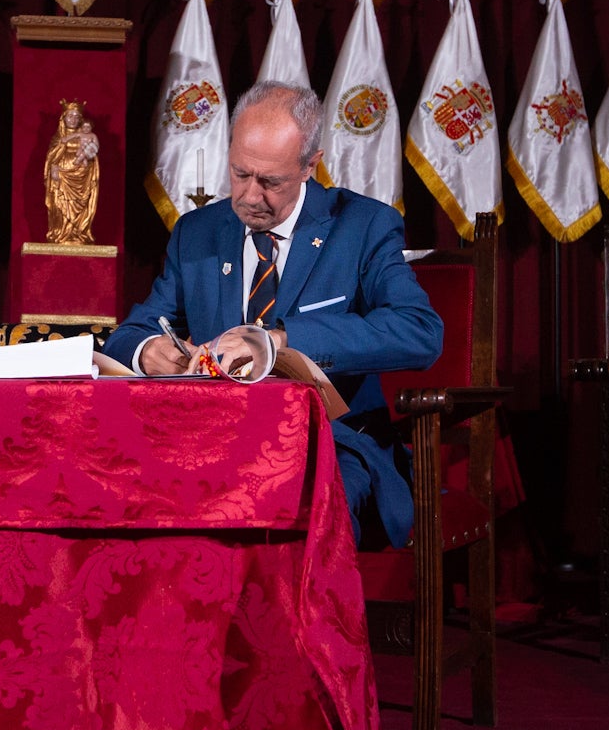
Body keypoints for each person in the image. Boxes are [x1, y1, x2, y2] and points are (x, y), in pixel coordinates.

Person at [104, 80, 442, 545]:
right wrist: (148, 352)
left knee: (297, 504)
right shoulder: (197, 232)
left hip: (328, 446)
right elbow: (131, 333)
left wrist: (280, 341)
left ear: (310, 166)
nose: (249, 196)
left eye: (270, 182)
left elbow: (419, 331)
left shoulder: (362, 226)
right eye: (240, 174)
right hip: (212, 443)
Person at [43, 98, 100, 243]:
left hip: (83, 178)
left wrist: (90, 159)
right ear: (64, 118)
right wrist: (54, 167)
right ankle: (61, 232)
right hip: (61, 178)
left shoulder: (88, 135)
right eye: (70, 116)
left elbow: (94, 151)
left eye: (76, 117)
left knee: (81, 205)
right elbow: (51, 156)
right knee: (60, 203)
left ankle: (79, 233)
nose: (73, 119)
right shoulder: (58, 137)